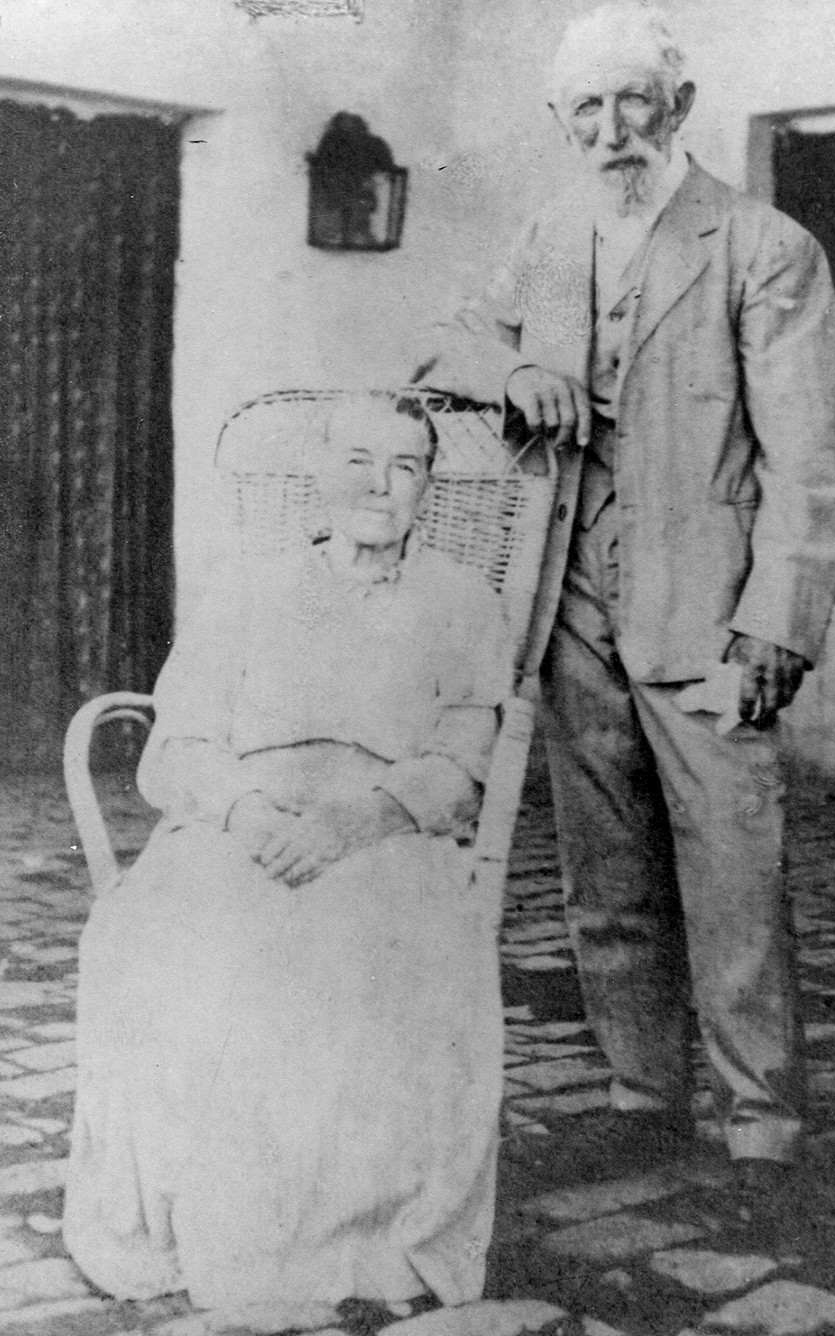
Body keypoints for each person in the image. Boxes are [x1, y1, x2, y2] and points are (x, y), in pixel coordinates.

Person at [416, 1, 835, 1225]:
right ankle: (640, 1095)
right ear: (562, 121)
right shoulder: (551, 241)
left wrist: (775, 627)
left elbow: (809, 461)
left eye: (632, 103)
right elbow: (445, 345)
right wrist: (514, 368)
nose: (612, 130)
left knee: (733, 871)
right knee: (604, 876)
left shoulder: (763, 246)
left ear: (679, 107)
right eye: (586, 109)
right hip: (571, 606)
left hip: (709, 614)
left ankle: (763, 1131)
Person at [63, 393, 512, 1314]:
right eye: (357, 461)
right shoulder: (247, 588)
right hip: (244, 822)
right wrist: (249, 815)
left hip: (385, 832)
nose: (380, 485)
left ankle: (341, 1233)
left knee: (353, 946)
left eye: (405, 467)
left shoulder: (463, 601)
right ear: (318, 475)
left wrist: (355, 823)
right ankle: (199, 1218)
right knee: (169, 934)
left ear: (428, 488)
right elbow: (180, 742)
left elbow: (464, 763)